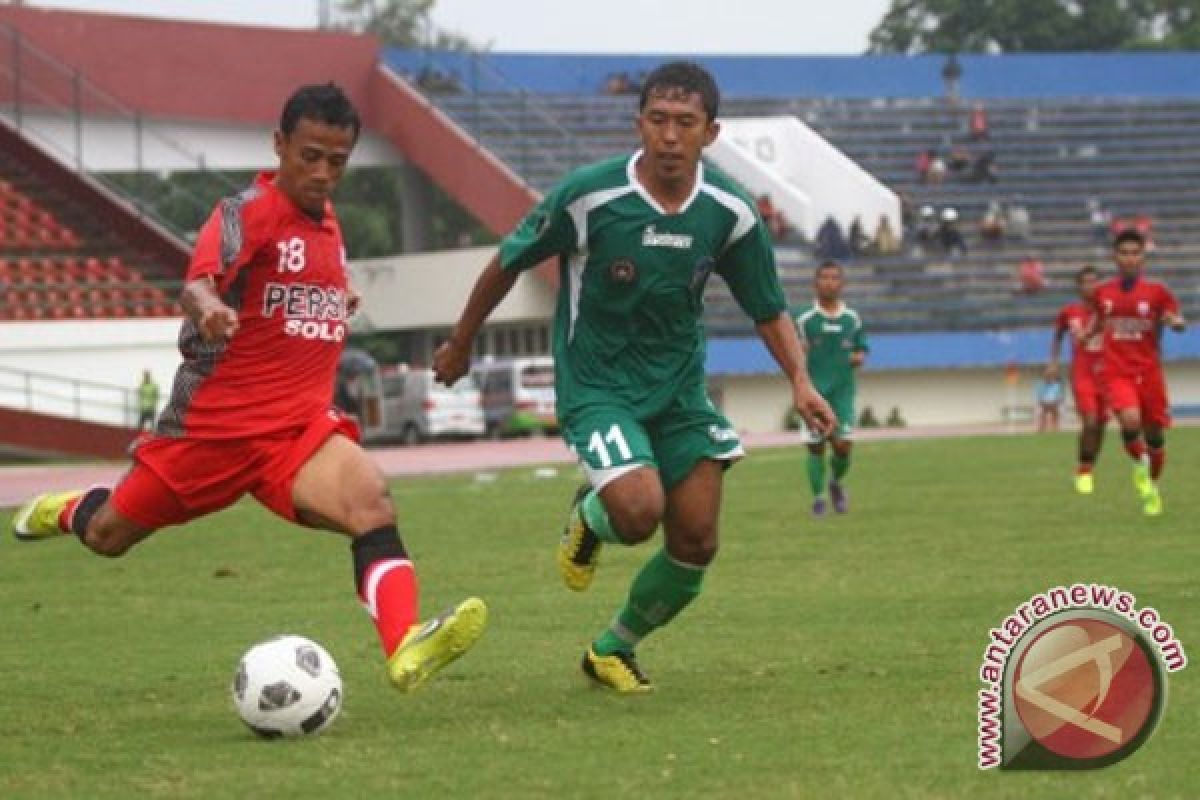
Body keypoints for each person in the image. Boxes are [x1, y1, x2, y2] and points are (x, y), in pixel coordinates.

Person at [11, 84, 487, 691]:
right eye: (309, 156)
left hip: (296, 433)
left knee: (371, 500)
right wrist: (209, 308)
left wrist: (338, 294)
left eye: (337, 162)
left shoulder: (328, 223)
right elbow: (197, 282)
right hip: (211, 433)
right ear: (279, 145)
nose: (321, 174)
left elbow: (297, 291)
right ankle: (73, 507)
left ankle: (404, 647)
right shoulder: (247, 211)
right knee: (109, 536)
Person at [431, 61, 834, 693]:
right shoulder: (591, 195)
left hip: (679, 393)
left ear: (711, 132)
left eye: (685, 123)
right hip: (597, 388)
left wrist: (802, 383)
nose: (670, 136)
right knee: (639, 509)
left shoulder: (729, 210)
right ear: (638, 123)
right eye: (658, 121)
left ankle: (611, 649)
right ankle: (591, 515)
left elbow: (768, 307)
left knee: (697, 539)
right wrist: (461, 343)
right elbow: (509, 260)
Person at [1088, 230, 1186, 515]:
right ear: (1115, 257)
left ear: (1143, 257)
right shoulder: (1103, 292)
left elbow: (1173, 316)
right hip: (1117, 371)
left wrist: (1176, 323)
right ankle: (1140, 466)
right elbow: (1099, 318)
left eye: (1135, 253)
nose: (1129, 258)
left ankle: (1151, 485)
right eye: (1124, 253)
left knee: (1155, 436)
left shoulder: (1157, 292)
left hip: (1150, 372)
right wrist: (1088, 333)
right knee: (1130, 421)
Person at [793, 261, 868, 516]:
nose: (829, 282)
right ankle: (818, 499)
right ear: (815, 284)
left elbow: (861, 347)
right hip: (814, 394)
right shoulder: (804, 319)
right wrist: (798, 355)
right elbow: (791, 350)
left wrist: (858, 356)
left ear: (842, 284)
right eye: (824, 277)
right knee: (816, 447)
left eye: (835, 278)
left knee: (843, 446)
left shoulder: (852, 319)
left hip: (843, 394)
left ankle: (835, 482)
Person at [1049, 265, 1108, 494]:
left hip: (1107, 374)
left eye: (1095, 281)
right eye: (1086, 282)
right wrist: (1053, 362)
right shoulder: (1069, 312)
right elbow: (1058, 335)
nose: (1091, 286)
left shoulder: (1109, 310)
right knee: (1090, 421)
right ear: (1078, 287)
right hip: (1082, 373)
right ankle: (1083, 470)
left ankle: (1089, 465)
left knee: (1100, 425)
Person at [1034, 367, 1064, 432]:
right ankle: (1042, 427)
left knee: (1057, 409)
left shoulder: (1057, 386)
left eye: (1050, 376)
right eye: (1047, 376)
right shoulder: (1040, 385)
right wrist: (1044, 403)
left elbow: (1060, 397)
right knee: (1041, 410)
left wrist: (1055, 402)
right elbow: (1039, 398)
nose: (1048, 377)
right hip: (1043, 404)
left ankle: (1056, 428)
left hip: (1054, 404)